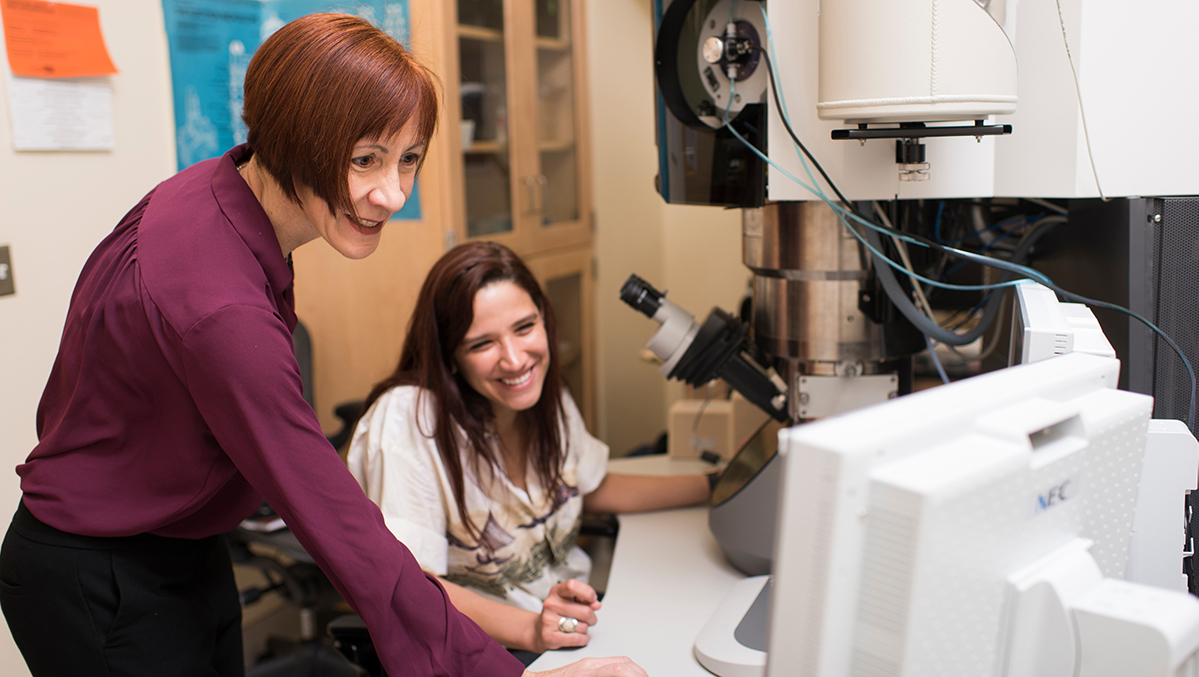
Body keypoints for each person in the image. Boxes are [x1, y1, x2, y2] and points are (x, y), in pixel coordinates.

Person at [0, 14, 645, 677]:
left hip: (181, 547)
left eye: (409, 158)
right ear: (288, 137)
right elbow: (343, 534)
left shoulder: (218, 191)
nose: (390, 193)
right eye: (364, 158)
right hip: (100, 574)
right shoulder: (221, 304)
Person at [347, 241, 712, 662]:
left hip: (563, 622)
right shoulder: (409, 420)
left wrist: (718, 487)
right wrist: (533, 630)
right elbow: (409, 585)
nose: (516, 360)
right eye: (482, 343)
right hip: (483, 649)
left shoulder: (544, 395)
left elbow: (591, 484)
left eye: (525, 327)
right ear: (450, 357)